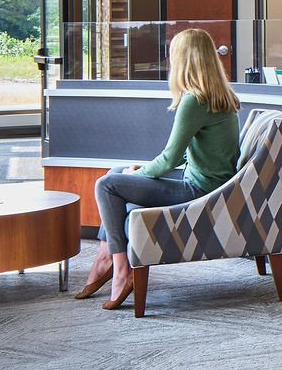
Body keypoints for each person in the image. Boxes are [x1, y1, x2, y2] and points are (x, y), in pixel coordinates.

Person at [79, 28, 242, 309]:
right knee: (116, 171)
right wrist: (138, 171)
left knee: (106, 185)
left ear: (183, 59)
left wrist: (138, 174)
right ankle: (106, 255)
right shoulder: (219, 94)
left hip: (199, 190)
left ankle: (117, 266)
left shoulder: (195, 99)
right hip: (209, 182)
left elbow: (169, 158)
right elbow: (191, 156)